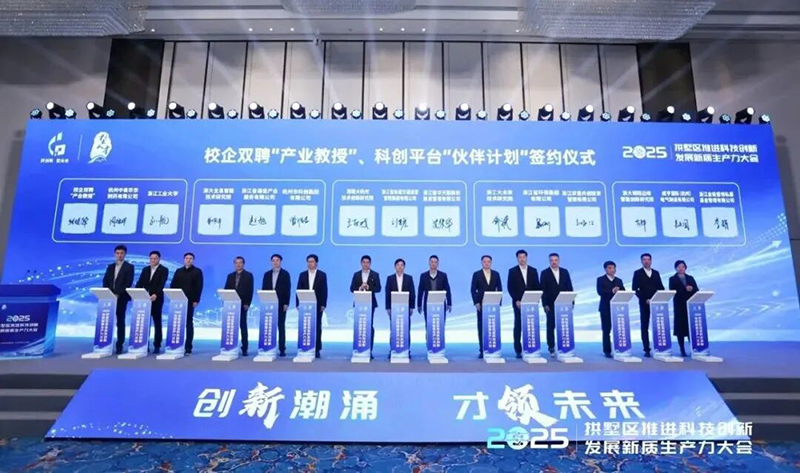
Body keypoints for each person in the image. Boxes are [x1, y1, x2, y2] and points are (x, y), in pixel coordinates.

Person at [507, 249, 541, 358]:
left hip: (531, 303)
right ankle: (518, 349)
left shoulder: (533, 270)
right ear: (517, 258)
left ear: (526, 258)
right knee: (518, 325)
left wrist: (536, 298)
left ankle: (531, 348)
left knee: (531, 325)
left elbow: (537, 286)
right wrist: (516, 300)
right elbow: (510, 287)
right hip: (518, 303)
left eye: (523, 257)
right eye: (520, 257)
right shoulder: (512, 271)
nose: (522, 259)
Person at [539, 253, 573, 357]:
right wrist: (545, 304)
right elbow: (543, 290)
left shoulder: (564, 272)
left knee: (564, 326)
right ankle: (551, 347)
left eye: (556, 260)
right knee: (551, 327)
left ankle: (564, 347)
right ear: (549, 261)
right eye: (552, 260)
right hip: (550, 304)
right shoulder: (544, 273)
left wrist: (571, 301)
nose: (554, 262)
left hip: (564, 304)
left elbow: (569, 287)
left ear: (559, 261)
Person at [102, 245, 134, 354]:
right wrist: (108, 293)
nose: (119, 255)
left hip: (121, 298)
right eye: (117, 253)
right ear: (114, 254)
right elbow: (105, 281)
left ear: (125, 254)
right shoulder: (110, 267)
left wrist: (117, 294)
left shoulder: (129, 267)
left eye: (121, 253)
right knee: (107, 320)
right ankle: (105, 343)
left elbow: (128, 283)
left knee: (120, 321)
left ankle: (119, 344)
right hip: (109, 298)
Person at [135, 250, 169, 354]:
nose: (153, 260)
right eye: (151, 258)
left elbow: (161, 284)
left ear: (159, 259)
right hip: (144, 300)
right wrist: (135, 292)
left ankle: (157, 345)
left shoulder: (164, 270)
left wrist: (156, 294)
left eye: (155, 258)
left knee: (157, 322)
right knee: (144, 323)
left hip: (156, 299)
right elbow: (140, 282)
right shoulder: (145, 269)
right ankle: (144, 344)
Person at [632, 253, 665, 358]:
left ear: (651, 261)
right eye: (644, 259)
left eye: (648, 259)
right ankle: (646, 349)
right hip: (644, 303)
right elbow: (635, 289)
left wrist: (660, 297)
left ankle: (660, 347)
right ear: (641, 261)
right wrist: (645, 299)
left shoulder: (656, 273)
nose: (646, 261)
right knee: (645, 326)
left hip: (657, 304)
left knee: (659, 326)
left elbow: (661, 287)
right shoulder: (638, 273)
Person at [170, 252, 203, 355]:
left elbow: (199, 287)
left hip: (190, 301)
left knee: (188, 323)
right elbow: (173, 285)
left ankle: (188, 347)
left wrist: (196, 300)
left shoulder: (197, 271)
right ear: (184, 260)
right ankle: (175, 345)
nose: (188, 260)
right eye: (187, 258)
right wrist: (172, 296)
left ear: (193, 260)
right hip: (177, 301)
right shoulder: (178, 271)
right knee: (177, 323)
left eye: (190, 258)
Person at [470, 255, 502, 359]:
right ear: (481, 262)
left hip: (493, 305)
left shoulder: (496, 274)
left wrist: (499, 302)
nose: (486, 263)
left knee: (493, 327)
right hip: (481, 305)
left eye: (488, 262)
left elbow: (499, 288)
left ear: (491, 263)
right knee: (481, 327)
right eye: (484, 262)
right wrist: (476, 302)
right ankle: (482, 349)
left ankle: (494, 348)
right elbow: (473, 289)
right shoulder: (476, 274)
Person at [296, 254, 328, 358]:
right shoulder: (302, 275)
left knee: (317, 326)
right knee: (305, 326)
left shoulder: (322, 275)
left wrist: (323, 304)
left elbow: (324, 290)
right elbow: (298, 289)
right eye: (308, 262)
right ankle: (304, 346)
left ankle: (317, 348)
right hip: (304, 304)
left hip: (317, 305)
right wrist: (298, 303)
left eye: (312, 262)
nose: (310, 264)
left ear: (316, 263)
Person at [349, 255, 381, 357]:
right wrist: (359, 287)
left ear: (370, 264)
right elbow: (351, 288)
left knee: (369, 326)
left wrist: (368, 287)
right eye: (364, 262)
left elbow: (378, 288)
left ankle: (369, 350)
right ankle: (358, 348)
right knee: (359, 326)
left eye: (367, 262)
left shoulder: (375, 274)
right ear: (361, 263)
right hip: (359, 303)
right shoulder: (356, 274)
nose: (365, 264)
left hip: (370, 303)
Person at [385, 258, 416, 357]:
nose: (400, 267)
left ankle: (407, 350)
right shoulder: (390, 278)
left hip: (405, 308)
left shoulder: (409, 278)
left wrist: (412, 307)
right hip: (393, 308)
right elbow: (387, 294)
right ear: (395, 266)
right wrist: (388, 308)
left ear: (404, 267)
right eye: (398, 265)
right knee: (394, 329)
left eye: (402, 265)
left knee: (406, 329)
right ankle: (392, 349)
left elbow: (412, 293)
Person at [262, 253, 291, 356]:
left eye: (277, 260)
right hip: (269, 304)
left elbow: (288, 290)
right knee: (269, 326)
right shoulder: (267, 274)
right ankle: (268, 347)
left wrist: (286, 303)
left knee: (281, 326)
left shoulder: (285, 274)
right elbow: (264, 289)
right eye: (273, 260)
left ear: (280, 262)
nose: (275, 262)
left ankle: (282, 349)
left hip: (281, 304)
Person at [224, 256, 254, 356]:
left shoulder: (248, 275)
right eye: (236, 263)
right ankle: (230, 346)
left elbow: (250, 291)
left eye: (240, 263)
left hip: (242, 304)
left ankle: (244, 348)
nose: (238, 265)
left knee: (243, 326)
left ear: (243, 264)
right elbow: (226, 289)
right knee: (231, 327)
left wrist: (247, 303)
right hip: (231, 305)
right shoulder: (230, 276)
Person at [669, 260, 699, 357]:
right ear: (676, 268)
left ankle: (693, 348)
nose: (681, 268)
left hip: (689, 305)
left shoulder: (690, 278)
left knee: (690, 328)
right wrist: (684, 289)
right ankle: (682, 349)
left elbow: (696, 290)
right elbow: (672, 291)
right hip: (679, 306)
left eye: (682, 266)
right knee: (680, 329)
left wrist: (692, 289)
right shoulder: (672, 279)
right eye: (679, 267)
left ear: (685, 267)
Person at [596, 260, 624, 358]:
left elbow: (623, 291)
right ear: (605, 269)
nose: (612, 270)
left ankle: (620, 349)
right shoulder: (600, 279)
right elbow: (600, 292)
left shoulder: (619, 280)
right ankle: (607, 351)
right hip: (605, 308)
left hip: (618, 309)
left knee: (619, 329)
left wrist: (620, 290)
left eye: (613, 268)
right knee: (606, 330)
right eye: (610, 268)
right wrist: (612, 291)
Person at [417, 255, 452, 327]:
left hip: (440, 304)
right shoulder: (423, 276)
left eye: (435, 262)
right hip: (428, 305)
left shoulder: (443, 275)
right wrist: (419, 305)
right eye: (432, 262)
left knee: (440, 326)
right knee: (429, 326)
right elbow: (420, 291)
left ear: (438, 264)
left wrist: (449, 303)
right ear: (429, 263)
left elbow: (447, 290)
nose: (433, 264)